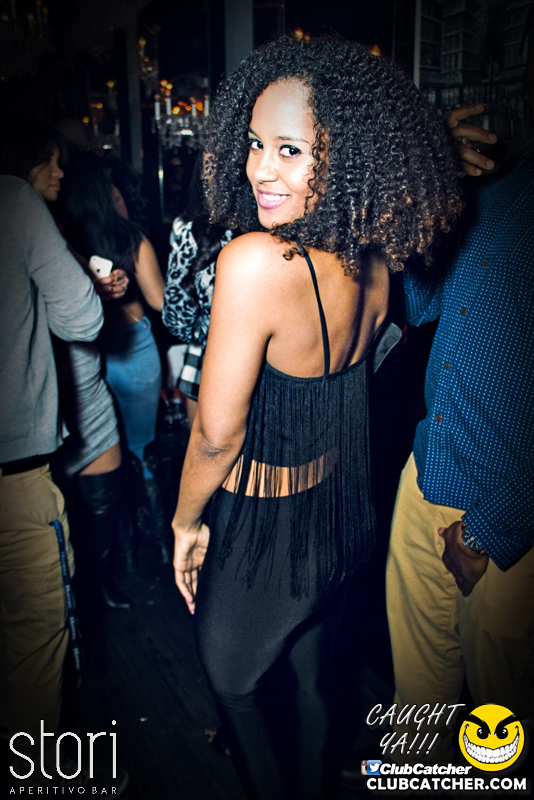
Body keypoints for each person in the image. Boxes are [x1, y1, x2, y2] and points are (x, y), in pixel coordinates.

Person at [170, 35, 462, 799]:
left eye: (291, 150)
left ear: (348, 156)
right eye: (255, 143)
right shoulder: (375, 257)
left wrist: (185, 522)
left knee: (234, 689)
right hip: (339, 515)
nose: (260, 169)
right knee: (312, 687)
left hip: (265, 534)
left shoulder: (255, 263)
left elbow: (216, 436)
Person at [385, 101, 534, 765]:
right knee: (416, 713)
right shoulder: (500, 187)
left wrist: (489, 530)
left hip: (508, 517)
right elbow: (421, 302)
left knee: (502, 731)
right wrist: (429, 185)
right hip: (429, 471)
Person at [0, 116, 133, 611]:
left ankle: (98, 584)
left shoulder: (51, 220)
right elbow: (74, 316)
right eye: (48, 161)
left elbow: (74, 293)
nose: (59, 172)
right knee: (59, 515)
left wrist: (103, 286)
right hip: (49, 393)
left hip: (84, 385)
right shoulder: (18, 208)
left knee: (105, 489)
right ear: (22, 162)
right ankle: (81, 593)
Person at [0, 173, 103, 782]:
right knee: (34, 649)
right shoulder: (13, 200)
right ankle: (36, 781)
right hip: (12, 481)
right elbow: (81, 318)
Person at [56, 150, 168, 562]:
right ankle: (158, 543)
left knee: (100, 453)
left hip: (83, 359)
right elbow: (160, 303)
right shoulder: (130, 238)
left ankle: (121, 548)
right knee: (141, 448)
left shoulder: (63, 240)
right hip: (134, 352)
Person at [163, 158, 233, 427]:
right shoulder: (190, 230)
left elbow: (177, 319)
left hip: (209, 355)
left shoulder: (191, 230)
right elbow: (177, 318)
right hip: (214, 359)